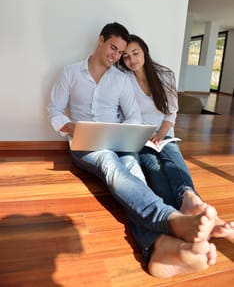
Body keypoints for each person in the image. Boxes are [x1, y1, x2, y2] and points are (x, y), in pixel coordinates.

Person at [48, 22, 217, 278]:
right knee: (109, 164)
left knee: (134, 172)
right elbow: (54, 110)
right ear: (101, 40)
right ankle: (170, 218)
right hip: (86, 144)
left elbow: (134, 116)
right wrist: (69, 126)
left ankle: (158, 248)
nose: (116, 57)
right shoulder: (69, 73)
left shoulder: (121, 79)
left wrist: (124, 133)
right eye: (113, 48)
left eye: (121, 52)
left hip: (118, 141)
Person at [118, 34, 234, 240]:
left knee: (173, 161)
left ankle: (191, 199)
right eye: (126, 57)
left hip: (164, 133)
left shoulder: (164, 75)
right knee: (155, 170)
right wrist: (145, 137)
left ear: (144, 50)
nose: (132, 60)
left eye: (135, 53)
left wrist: (161, 134)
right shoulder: (124, 79)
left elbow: (171, 112)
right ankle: (191, 218)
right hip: (141, 138)